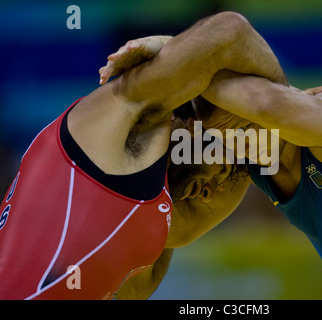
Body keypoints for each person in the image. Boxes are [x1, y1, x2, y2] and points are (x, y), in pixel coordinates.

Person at [110, 29, 322, 299]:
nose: (236, 141)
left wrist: (167, 54)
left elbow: (235, 37)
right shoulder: (246, 161)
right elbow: (163, 245)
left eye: (239, 123)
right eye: (222, 136)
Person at [0, 12, 287, 300]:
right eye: (224, 167)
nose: (211, 190)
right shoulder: (115, 122)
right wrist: (283, 107)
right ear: (194, 115)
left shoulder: (148, 240)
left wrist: (271, 117)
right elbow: (230, 30)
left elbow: (263, 149)